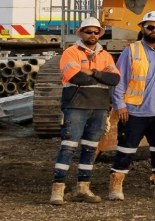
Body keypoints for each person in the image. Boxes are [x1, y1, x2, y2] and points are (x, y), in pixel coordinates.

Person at [108, 10, 155, 201]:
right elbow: (119, 80)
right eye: (149, 27)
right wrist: (119, 105)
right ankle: (115, 187)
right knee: (126, 149)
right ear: (142, 28)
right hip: (134, 110)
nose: (153, 30)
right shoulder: (131, 51)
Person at [50, 16, 117, 204]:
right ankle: (57, 190)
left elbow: (115, 79)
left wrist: (92, 72)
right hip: (75, 105)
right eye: (89, 31)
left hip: (99, 107)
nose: (93, 35)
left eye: (96, 32)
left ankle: (83, 188)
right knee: (68, 146)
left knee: (90, 147)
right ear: (81, 33)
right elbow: (75, 76)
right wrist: (101, 75)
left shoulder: (105, 55)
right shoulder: (70, 53)